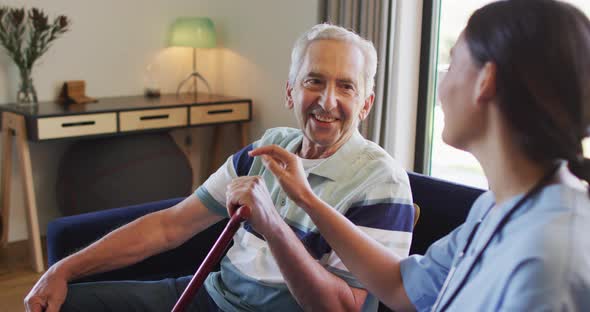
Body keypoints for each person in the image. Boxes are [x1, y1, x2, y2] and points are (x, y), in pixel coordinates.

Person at [24, 24, 415, 312]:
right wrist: (62, 269)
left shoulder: (382, 183)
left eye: (346, 87)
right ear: (290, 91)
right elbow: (169, 226)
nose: (327, 102)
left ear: (366, 104)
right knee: (63, 304)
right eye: (314, 81)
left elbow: (340, 309)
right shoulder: (268, 148)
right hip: (208, 297)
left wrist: (272, 225)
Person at [242, 0, 590, 311]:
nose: (440, 89)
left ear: (486, 80)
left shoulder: (549, 262)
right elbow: (400, 286)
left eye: (452, 64)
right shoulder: (495, 209)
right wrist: (306, 199)